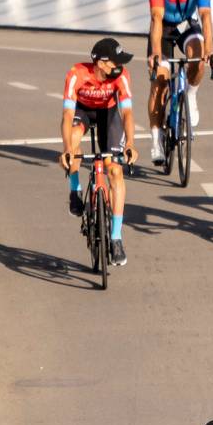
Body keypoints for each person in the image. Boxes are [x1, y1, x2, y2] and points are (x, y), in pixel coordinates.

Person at [61, 38, 138, 267]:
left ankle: (115, 238)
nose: (120, 66)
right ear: (102, 63)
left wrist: (130, 144)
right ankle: (75, 190)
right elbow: (66, 116)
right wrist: (66, 149)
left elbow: (127, 115)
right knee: (74, 138)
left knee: (115, 171)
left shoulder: (122, 77)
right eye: (116, 62)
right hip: (82, 111)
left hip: (109, 114)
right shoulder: (77, 74)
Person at [144, 0, 213, 171]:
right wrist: (157, 54)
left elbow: (206, 16)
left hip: (186, 25)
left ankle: (190, 96)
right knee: (159, 83)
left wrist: (208, 51)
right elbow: (156, 17)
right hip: (163, 29)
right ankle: (156, 140)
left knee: (199, 60)